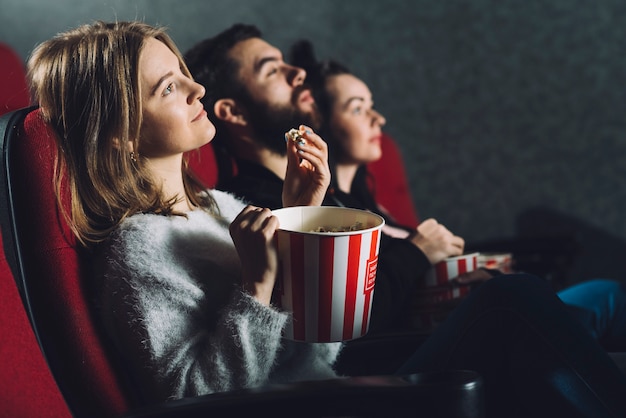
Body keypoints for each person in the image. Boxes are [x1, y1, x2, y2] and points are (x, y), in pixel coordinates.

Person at [28, 20, 626, 417]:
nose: (194, 89)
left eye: (186, 72)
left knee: (519, 314)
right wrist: (256, 289)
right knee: (513, 305)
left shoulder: (220, 208)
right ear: (119, 136)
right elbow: (193, 400)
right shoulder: (139, 248)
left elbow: (323, 342)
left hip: (328, 387)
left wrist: (303, 213)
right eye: (167, 87)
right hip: (307, 407)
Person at [288, 39, 626, 351]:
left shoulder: (373, 205)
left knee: (598, 293)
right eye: (358, 109)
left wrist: (486, 280)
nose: (379, 119)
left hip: (472, 313)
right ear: (322, 121)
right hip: (432, 338)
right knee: (607, 296)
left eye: (372, 105)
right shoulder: (328, 215)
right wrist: (421, 252)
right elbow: (348, 308)